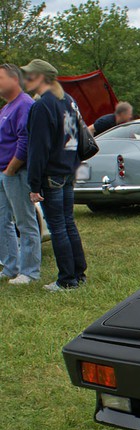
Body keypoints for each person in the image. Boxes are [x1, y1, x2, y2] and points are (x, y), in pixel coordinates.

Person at [22, 59, 86, 291]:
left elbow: (38, 148)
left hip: (52, 174)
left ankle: (67, 280)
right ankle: (78, 273)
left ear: (42, 78)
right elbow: (77, 137)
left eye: (30, 75)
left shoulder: (42, 106)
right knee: (68, 224)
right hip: (68, 170)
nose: (26, 80)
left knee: (58, 226)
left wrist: (34, 184)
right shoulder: (68, 100)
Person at [0, 63, 39, 285]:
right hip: (3, 172)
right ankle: (9, 266)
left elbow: (24, 140)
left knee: (24, 221)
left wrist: (11, 168)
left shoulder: (24, 105)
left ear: (14, 80)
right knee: (2, 221)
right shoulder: (6, 108)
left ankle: (30, 272)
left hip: (16, 173)